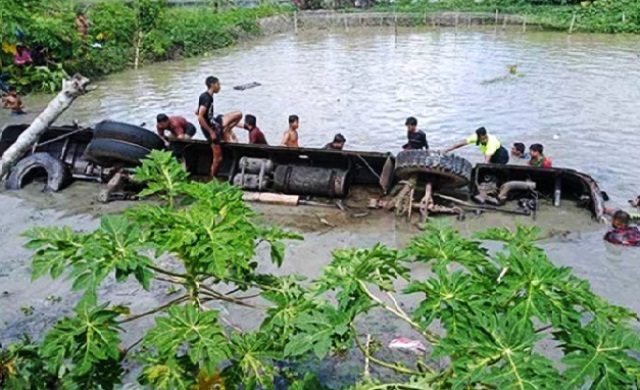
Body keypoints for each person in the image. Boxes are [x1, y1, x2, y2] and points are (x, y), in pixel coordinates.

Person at [442, 127, 509, 164]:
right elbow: (462, 143)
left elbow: (487, 158)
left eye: (481, 138)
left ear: (485, 135)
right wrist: (447, 149)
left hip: (501, 155)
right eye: (478, 137)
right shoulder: (476, 137)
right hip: (490, 154)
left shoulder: (492, 142)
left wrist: (484, 166)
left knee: (496, 169)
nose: (479, 139)